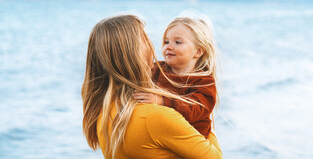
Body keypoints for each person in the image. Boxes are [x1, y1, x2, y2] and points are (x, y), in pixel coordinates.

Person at [81, 15, 222, 159]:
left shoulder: (105, 110)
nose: (155, 45)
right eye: (145, 38)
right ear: (134, 53)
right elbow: (214, 157)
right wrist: (208, 122)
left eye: (178, 42)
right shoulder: (156, 117)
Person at [133, 16, 218, 139]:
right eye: (166, 42)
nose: (169, 46)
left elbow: (195, 109)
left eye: (178, 42)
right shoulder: (157, 69)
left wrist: (162, 101)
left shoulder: (204, 81)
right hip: (161, 134)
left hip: (190, 140)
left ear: (198, 51)